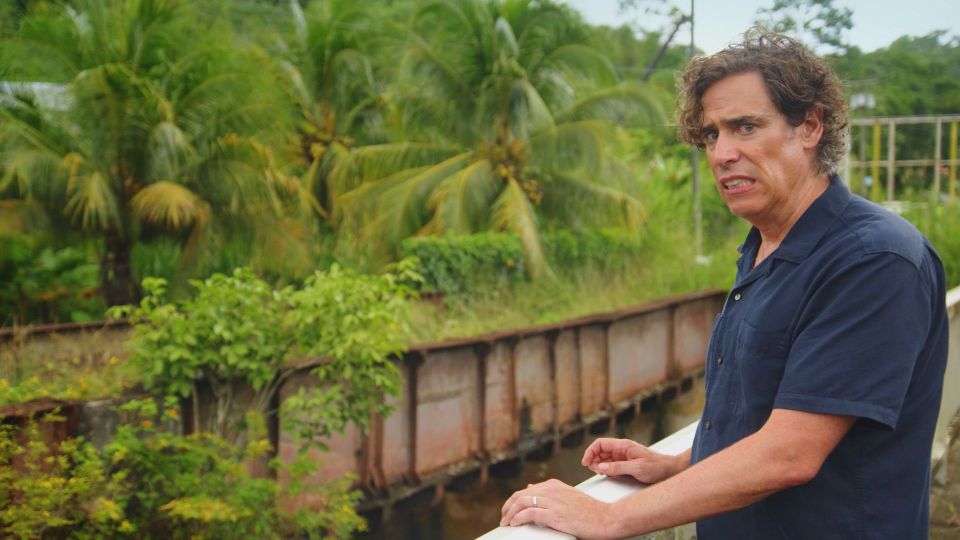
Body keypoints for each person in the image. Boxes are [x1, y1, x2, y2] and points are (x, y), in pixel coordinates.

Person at [499, 29, 949, 539]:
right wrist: (678, 465)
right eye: (712, 134)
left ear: (810, 126)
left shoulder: (873, 261)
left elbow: (790, 452)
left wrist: (608, 516)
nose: (722, 153)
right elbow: (765, 415)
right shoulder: (764, 247)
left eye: (745, 127)